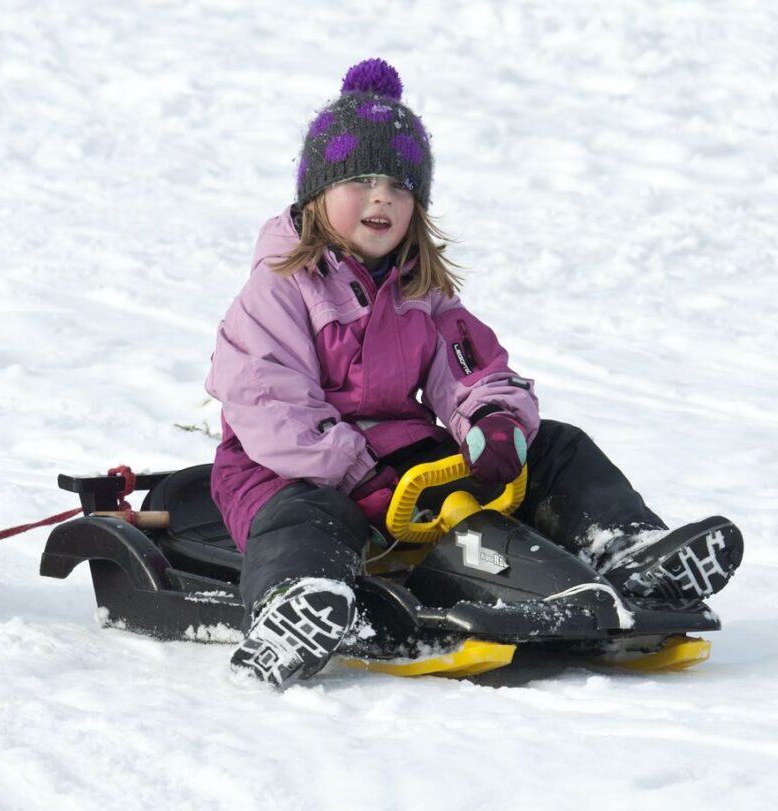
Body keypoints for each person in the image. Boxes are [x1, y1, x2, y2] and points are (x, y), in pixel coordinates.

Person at [205, 60, 743, 687]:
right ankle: (297, 604)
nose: (383, 197)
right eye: (361, 179)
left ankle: (628, 550)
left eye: (401, 187)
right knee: (305, 518)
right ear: (317, 194)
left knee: (556, 446)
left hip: (403, 465)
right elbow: (270, 404)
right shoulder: (277, 288)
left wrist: (493, 422)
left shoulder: (422, 292)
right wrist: (358, 473)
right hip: (283, 467)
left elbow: (472, 370)